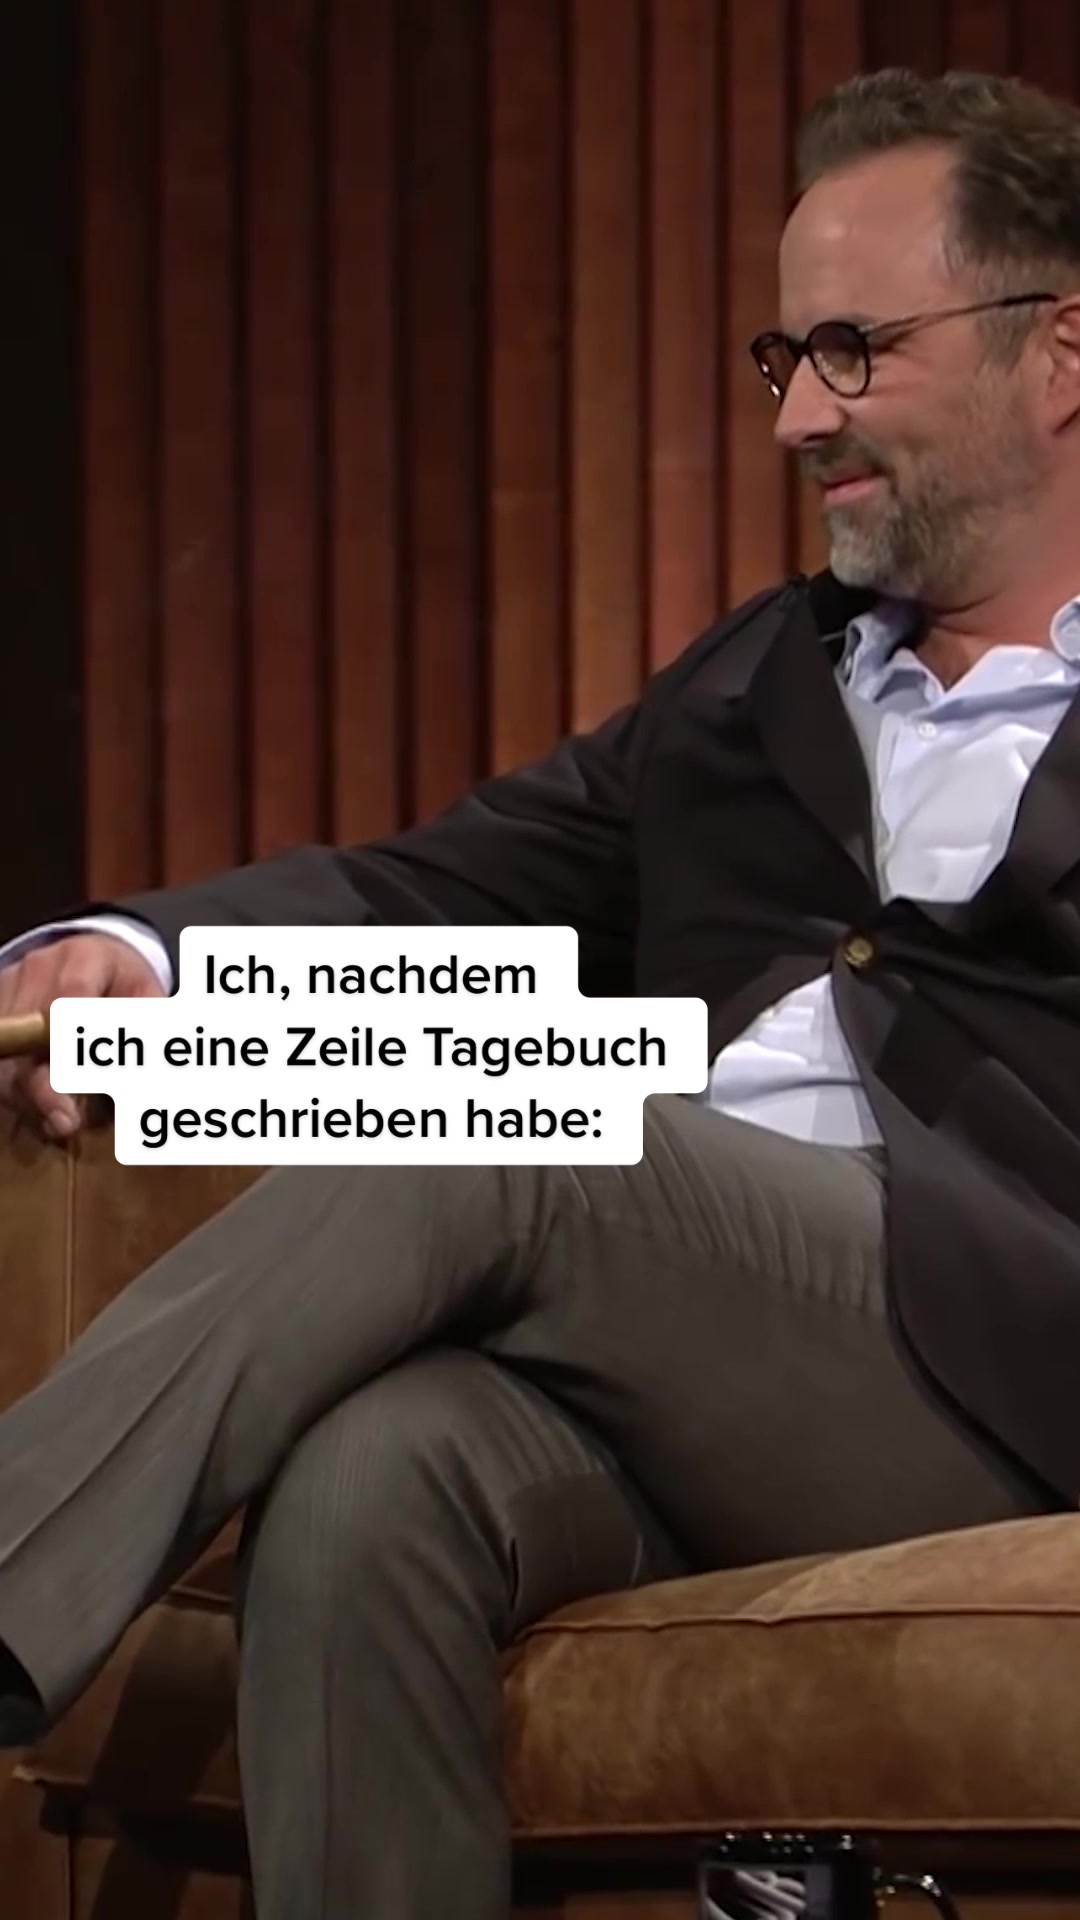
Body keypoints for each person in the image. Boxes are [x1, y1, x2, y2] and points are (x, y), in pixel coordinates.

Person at [1, 63, 1079, 1920]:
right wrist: (140, 951)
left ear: (1059, 350)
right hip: (717, 1353)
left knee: (511, 1132)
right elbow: (440, 886)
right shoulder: (758, 681)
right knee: (371, 1477)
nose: (798, 415)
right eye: (783, 356)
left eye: (853, 350)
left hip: (1009, 1357)